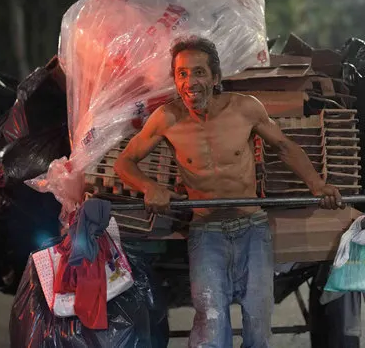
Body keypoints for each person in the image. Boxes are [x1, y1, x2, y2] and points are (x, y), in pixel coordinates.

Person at [114, 37, 342, 347]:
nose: (190, 82)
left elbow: (285, 147)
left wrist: (317, 185)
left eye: (198, 72)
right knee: (211, 322)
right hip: (206, 231)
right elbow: (124, 163)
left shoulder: (245, 108)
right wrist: (149, 187)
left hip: (252, 229)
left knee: (258, 324)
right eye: (181, 74)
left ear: (216, 77)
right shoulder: (166, 118)